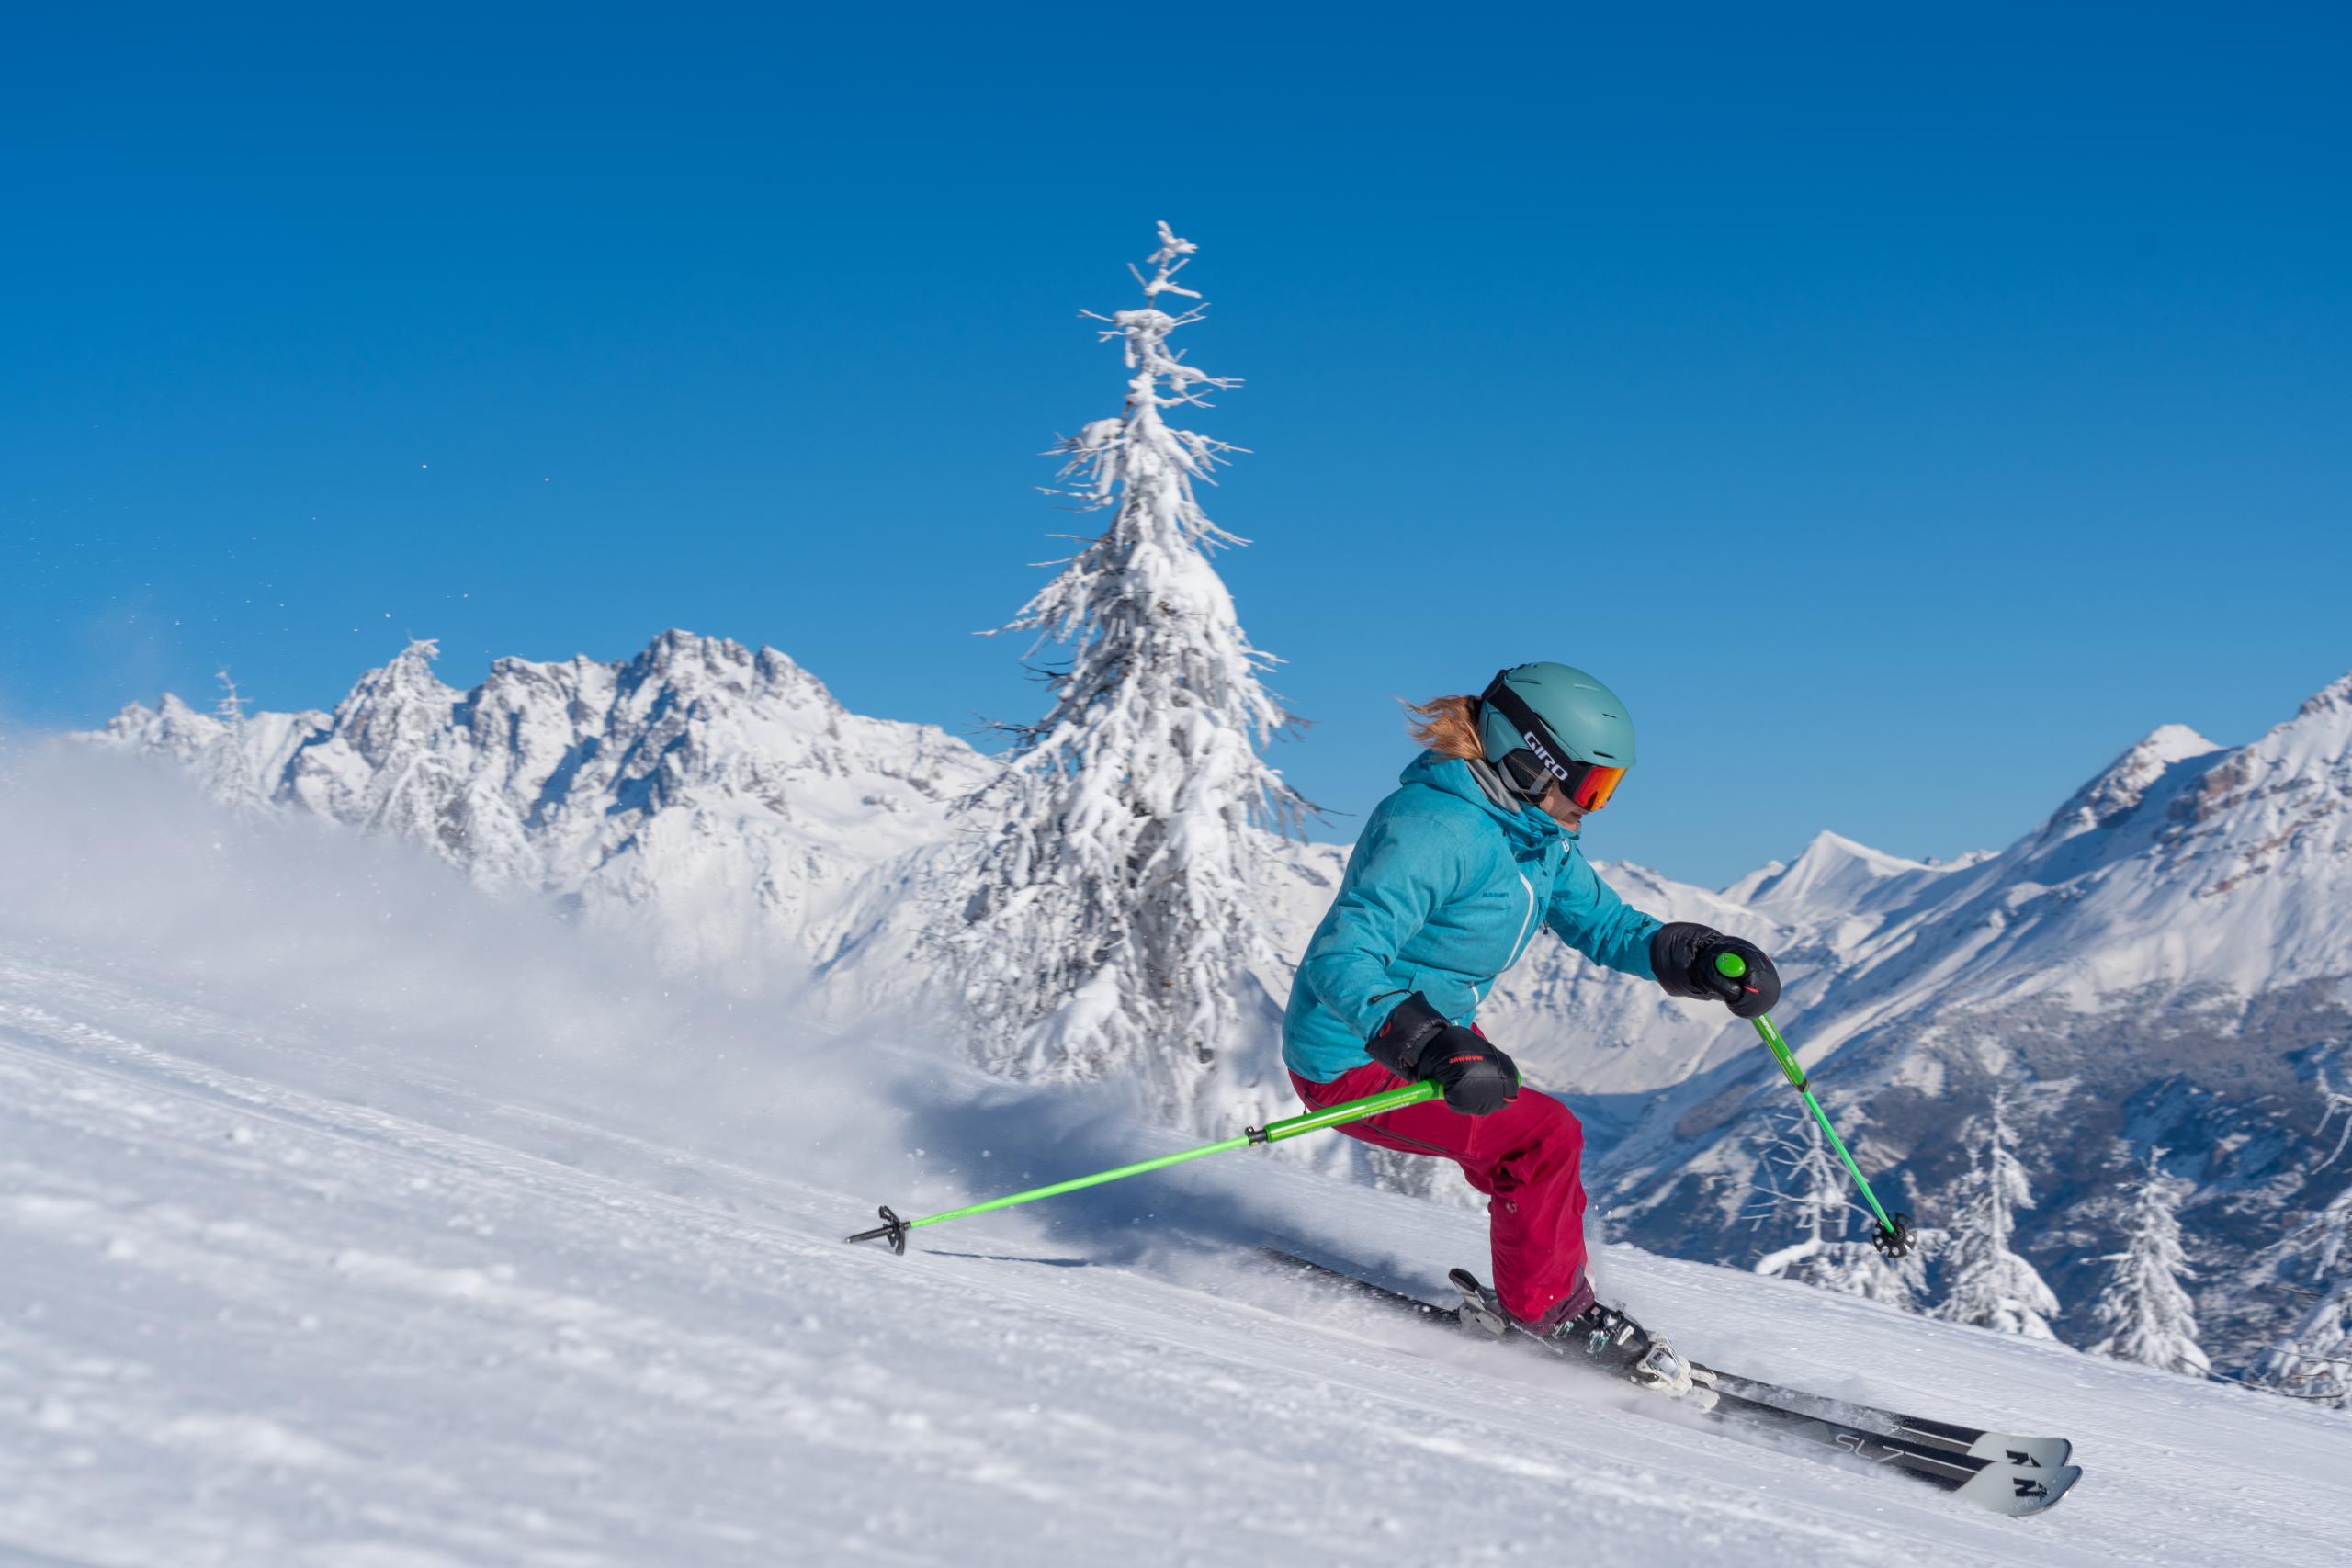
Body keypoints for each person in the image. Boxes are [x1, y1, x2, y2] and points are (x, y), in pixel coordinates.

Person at [1280, 662, 1781, 1393]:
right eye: (1590, 786)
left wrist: (1697, 957)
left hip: (1432, 1039)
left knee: (1537, 1148)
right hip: (1353, 1053)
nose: (1595, 806)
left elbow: (1604, 924)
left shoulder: (1531, 836)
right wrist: (1424, 1042)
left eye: (1607, 789)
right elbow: (1343, 954)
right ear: (1529, 759)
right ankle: (1550, 1312)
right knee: (1541, 1137)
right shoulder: (1432, 829)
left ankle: (1546, 1288)